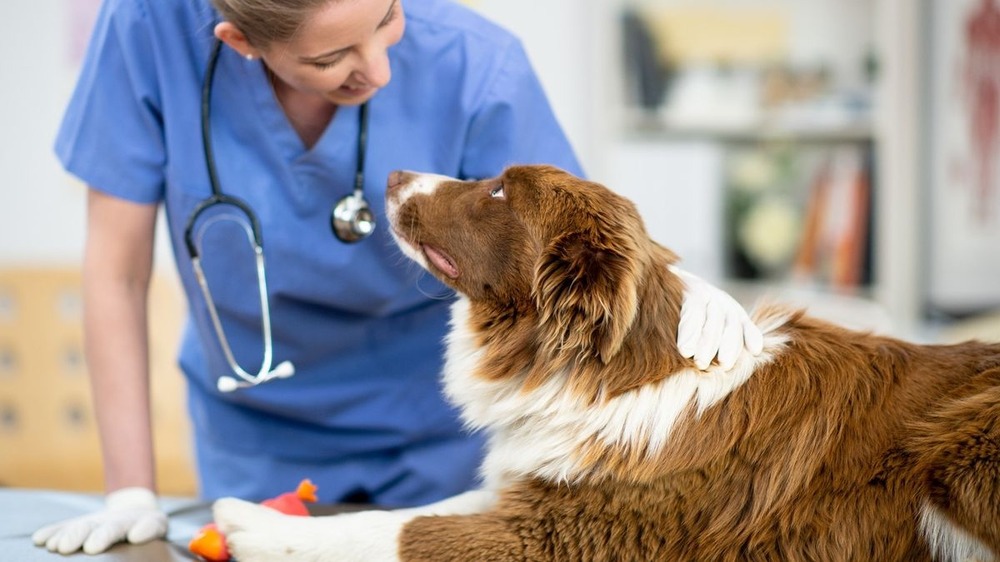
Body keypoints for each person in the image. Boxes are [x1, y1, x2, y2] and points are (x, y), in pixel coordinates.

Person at [32, 0, 763, 555]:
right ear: (241, 42)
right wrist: (130, 487)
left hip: (443, 435)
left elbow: (575, 240)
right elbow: (116, 275)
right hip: (254, 431)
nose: (379, 69)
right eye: (332, 59)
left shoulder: (475, 63)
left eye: (387, 17)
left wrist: (678, 291)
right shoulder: (145, 30)